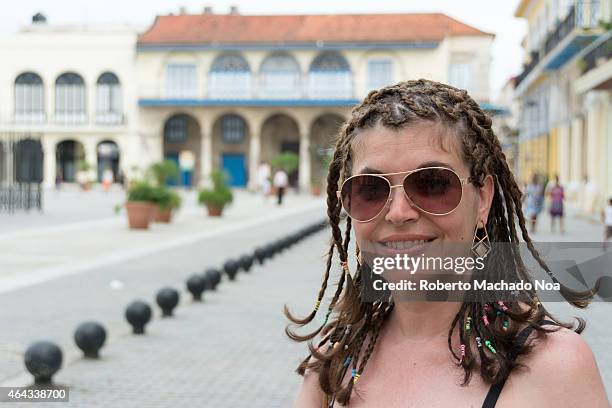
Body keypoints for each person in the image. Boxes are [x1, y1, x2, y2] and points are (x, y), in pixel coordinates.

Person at [286, 80, 609, 408]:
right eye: (371, 189)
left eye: (432, 184)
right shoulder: (334, 360)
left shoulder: (555, 370)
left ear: (483, 199)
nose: (398, 213)